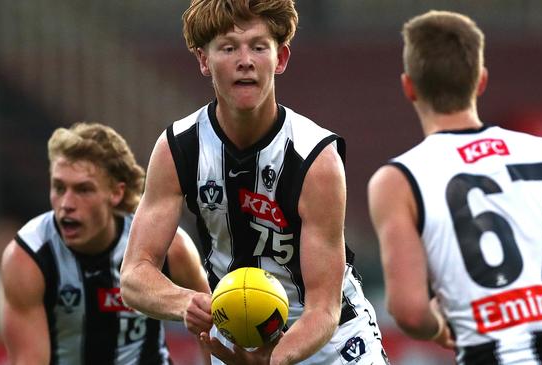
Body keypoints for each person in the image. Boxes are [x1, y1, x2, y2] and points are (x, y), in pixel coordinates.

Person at [367, 10, 542, 365]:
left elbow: (409, 311)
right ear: (481, 81)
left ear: (409, 87)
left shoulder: (398, 179)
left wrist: (438, 326)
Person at [119, 1, 388, 364]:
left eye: (259, 47)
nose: (245, 60)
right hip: (238, 342)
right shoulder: (177, 148)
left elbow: (323, 308)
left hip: (332, 343)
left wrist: (272, 361)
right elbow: (135, 275)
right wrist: (187, 302)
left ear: (281, 58)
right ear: (203, 59)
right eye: (228, 47)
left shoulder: (316, 158)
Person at [0, 122, 210, 364]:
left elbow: (212, 330)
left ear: (116, 193)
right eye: (59, 187)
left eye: (83, 190)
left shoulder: (169, 247)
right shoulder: (29, 256)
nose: (66, 203)